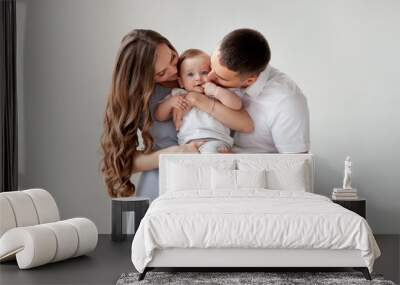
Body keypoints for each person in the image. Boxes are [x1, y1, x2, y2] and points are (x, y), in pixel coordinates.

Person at [100, 29, 253, 199]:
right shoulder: (140, 98)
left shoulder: (201, 76)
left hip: (212, 176)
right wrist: (177, 153)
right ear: (144, 76)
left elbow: (246, 124)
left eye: (173, 58)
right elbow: (125, 164)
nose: (173, 70)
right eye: (161, 73)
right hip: (162, 186)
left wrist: (196, 99)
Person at [185, 28, 310, 153]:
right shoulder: (216, 73)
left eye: (221, 77)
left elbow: (295, 164)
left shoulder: (286, 101)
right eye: (211, 67)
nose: (209, 77)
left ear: (249, 80)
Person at [154, 49, 243, 153]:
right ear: (181, 82)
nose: (198, 78)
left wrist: (216, 91)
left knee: (211, 158)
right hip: (187, 144)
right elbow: (159, 116)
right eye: (190, 74)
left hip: (215, 140)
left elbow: (237, 105)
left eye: (204, 72)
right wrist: (170, 103)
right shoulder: (178, 95)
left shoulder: (216, 92)